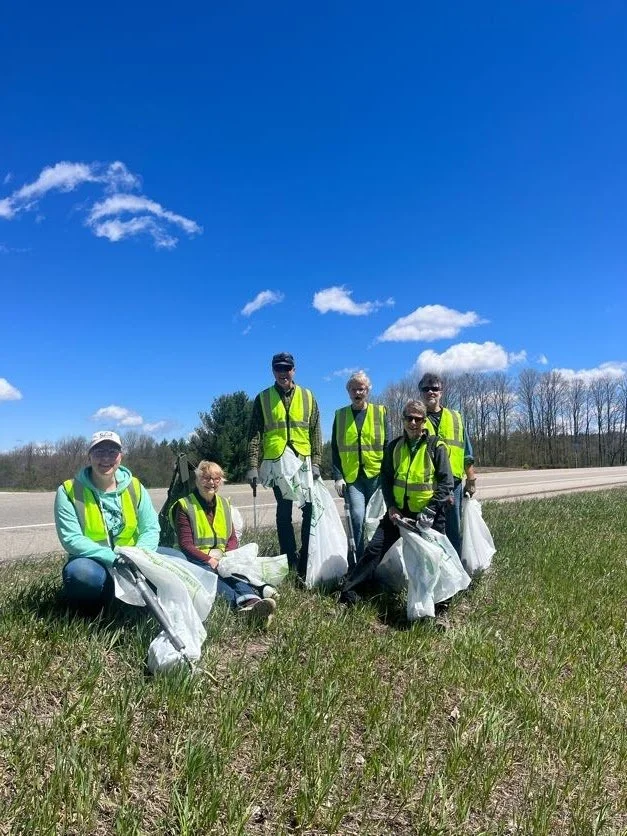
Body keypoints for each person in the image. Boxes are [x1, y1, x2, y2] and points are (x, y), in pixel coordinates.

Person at [340, 399, 453, 602]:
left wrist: (431, 510)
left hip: (429, 515)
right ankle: (350, 590)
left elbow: (446, 483)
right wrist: (391, 506)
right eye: (409, 418)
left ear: (424, 422)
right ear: (403, 420)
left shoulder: (436, 446)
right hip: (399, 513)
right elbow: (386, 479)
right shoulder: (394, 447)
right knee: (374, 549)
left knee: (435, 558)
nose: (413, 423)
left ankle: (441, 603)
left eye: (418, 419)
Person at [54, 430, 160, 610]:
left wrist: (139, 556)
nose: (106, 458)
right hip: (95, 561)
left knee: (177, 558)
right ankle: (94, 611)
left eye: (112, 451)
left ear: (121, 456)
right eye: (99, 451)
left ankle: (132, 598)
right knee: (81, 574)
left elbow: (151, 528)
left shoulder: (135, 487)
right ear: (89, 456)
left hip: (133, 558)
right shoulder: (68, 490)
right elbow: (71, 539)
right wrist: (113, 558)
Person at [246, 351, 322, 578]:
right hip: (277, 461)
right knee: (284, 511)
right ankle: (289, 557)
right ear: (273, 371)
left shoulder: (308, 396)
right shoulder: (263, 398)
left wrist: (317, 461)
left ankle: (307, 556)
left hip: (302, 461)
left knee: (309, 510)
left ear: (294, 370)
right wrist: (252, 465)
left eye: (286, 368)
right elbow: (254, 433)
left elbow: (316, 430)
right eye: (278, 368)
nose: (283, 373)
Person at [172, 460, 276, 624]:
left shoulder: (224, 504)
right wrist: (210, 560)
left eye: (216, 478)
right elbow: (186, 544)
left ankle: (253, 602)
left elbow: (232, 537)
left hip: (222, 557)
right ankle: (242, 605)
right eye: (206, 478)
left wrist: (228, 557)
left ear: (221, 481)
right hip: (195, 559)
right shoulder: (185, 506)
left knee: (233, 571)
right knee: (213, 577)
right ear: (198, 480)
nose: (211, 482)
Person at [332, 370, 389, 560]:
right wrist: (338, 476)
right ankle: (357, 560)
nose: (358, 393)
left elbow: (388, 446)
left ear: (368, 391)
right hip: (352, 477)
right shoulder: (340, 416)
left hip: (376, 476)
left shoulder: (380, 412)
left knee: (375, 521)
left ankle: (377, 559)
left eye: (361, 389)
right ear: (348, 391)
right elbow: (335, 448)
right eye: (354, 389)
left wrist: (388, 475)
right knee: (357, 517)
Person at [418, 372, 476, 557]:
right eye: (426, 389)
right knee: (429, 528)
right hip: (427, 483)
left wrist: (471, 477)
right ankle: (434, 569)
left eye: (434, 388)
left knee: (453, 527)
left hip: (454, 483)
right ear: (420, 392)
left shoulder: (455, 417)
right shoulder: (416, 419)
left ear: (441, 392)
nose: (430, 392)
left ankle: (456, 569)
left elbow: (466, 450)